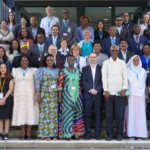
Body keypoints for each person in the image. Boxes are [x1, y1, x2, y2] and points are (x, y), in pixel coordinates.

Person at [102, 45, 128, 141]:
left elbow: (125, 77)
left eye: (116, 50)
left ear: (118, 51)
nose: (114, 52)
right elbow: (104, 77)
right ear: (110, 50)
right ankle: (109, 135)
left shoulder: (122, 63)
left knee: (120, 115)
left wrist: (124, 89)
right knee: (108, 115)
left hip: (120, 94)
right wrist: (105, 90)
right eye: (112, 50)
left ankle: (119, 134)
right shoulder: (105, 63)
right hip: (108, 94)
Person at [12, 55, 39, 140]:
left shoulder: (34, 70)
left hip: (30, 96)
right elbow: (12, 84)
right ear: (19, 62)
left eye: (26, 60)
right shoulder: (15, 70)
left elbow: (37, 83)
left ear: (29, 62)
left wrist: (37, 94)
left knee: (29, 113)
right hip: (19, 97)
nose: (24, 62)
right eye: (22, 61)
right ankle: (23, 133)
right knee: (21, 114)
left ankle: (29, 133)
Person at [58, 55, 85, 140]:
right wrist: (59, 97)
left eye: (72, 60)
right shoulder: (63, 71)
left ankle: (76, 133)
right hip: (66, 97)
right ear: (66, 61)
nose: (71, 61)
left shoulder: (78, 71)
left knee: (78, 115)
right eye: (69, 60)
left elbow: (81, 85)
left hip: (77, 97)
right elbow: (60, 85)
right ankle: (67, 134)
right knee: (67, 115)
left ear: (75, 61)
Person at [35, 54, 60, 141]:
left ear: (54, 61)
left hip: (54, 96)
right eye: (48, 60)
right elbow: (37, 83)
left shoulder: (57, 70)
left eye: (51, 60)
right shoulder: (41, 70)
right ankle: (45, 134)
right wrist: (38, 95)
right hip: (45, 95)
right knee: (45, 115)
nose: (49, 62)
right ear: (45, 61)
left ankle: (54, 134)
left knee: (54, 116)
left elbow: (59, 83)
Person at [82, 52, 102, 140]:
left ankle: (98, 134)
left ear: (97, 59)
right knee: (87, 115)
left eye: (94, 57)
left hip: (98, 95)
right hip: (88, 95)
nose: (93, 59)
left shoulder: (101, 68)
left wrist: (97, 90)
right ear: (89, 59)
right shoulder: (84, 69)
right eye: (91, 57)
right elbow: (84, 80)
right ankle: (88, 134)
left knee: (98, 115)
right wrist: (90, 90)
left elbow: (102, 80)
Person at [127, 55, 147, 140]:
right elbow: (126, 84)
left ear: (140, 61)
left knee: (141, 115)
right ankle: (132, 134)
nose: (136, 62)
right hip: (131, 96)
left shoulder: (143, 71)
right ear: (131, 61)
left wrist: (146, 97)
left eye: (137, 60)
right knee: (132, 115)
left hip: (141, 96)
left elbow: (145, 85)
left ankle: (140, 134)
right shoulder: (128, 70)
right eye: (134, 60)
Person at [0, 63, 14, 140]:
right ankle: (1, 133)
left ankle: (6, 134)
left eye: (4, 67)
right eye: (1, 67)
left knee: (7, 117)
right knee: (0, 118)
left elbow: (10, 89)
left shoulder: (10, 77)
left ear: (7, 68)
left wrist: (4, 99)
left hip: (7, 99)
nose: (3, 69)